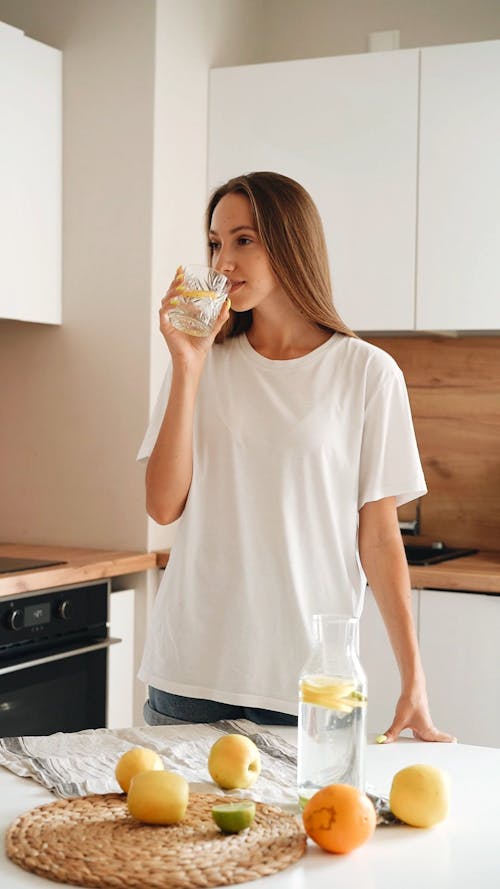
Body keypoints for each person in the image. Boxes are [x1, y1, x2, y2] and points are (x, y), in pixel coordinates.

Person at [137, 170, 455, 743]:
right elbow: (162, 507)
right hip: (190, 677)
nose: (223, 261)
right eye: (214, 243)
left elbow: (379, 536)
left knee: (311, 835)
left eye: (243, 240)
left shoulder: (367, 372)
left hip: (310, 686)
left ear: (290, 244)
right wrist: (188, 366)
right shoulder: (203, 363)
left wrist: (414, 678)